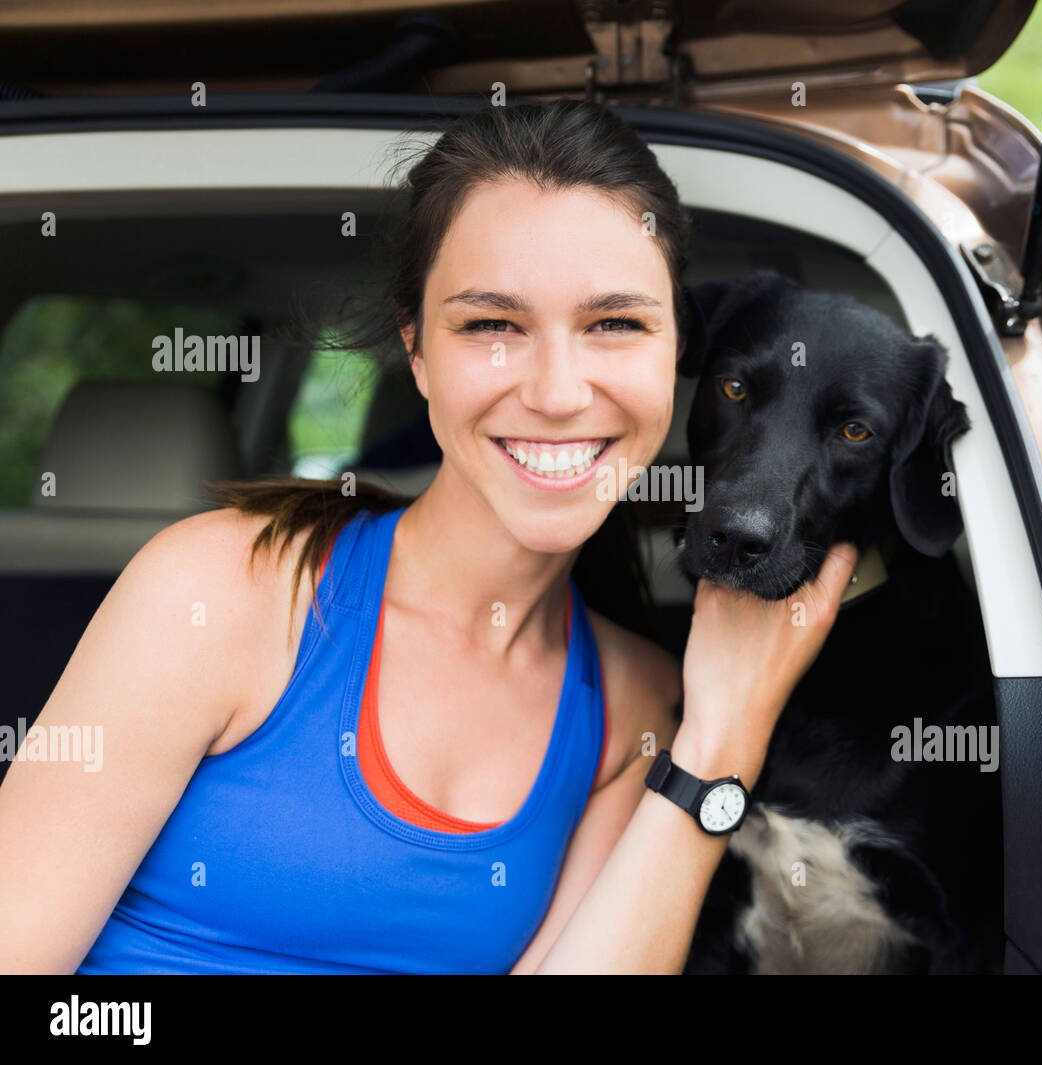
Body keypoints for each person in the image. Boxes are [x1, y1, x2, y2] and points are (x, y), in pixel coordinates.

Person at [0, 100, 856, 974]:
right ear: (416, 352)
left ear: (674, 352)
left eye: (615, 324)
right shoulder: (219, 591)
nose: (559, 392)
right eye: (492, 325)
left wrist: (722, 742)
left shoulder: (630, 705)